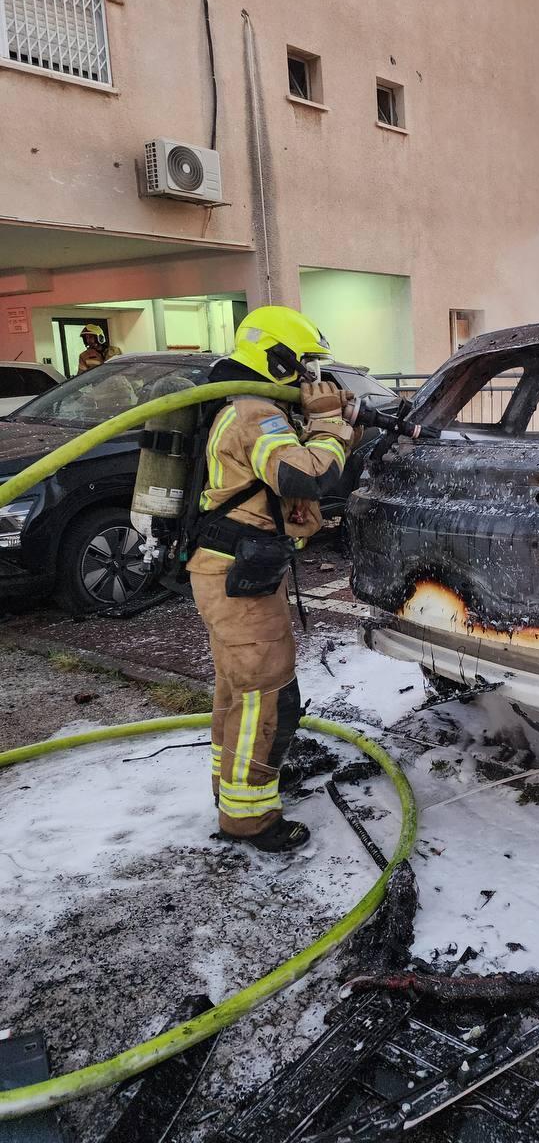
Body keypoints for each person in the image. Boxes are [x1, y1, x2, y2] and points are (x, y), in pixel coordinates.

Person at [187, 305, 359, 853]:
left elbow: (276, 489)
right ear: (277, 356)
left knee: (236, 689)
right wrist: (332, 424)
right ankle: (251, 819)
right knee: (267, 694)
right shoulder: (252, 411)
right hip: (236, 576)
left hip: (224, 569)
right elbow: (303, 473)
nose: (310, 376)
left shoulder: (237, 403)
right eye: (304, 363)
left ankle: (233, 787)